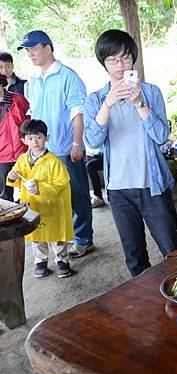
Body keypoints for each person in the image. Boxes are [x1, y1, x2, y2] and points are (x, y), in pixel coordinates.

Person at [84, 29, 177, 277]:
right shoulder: (96, 100)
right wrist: (108, 104)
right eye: (112, 60)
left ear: (133, 60)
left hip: (152, 185)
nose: (120, 65)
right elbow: (93, 142)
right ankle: (146, 307)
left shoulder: (150, 92)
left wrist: (140, 103)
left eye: (125, 58)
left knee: (174, 251)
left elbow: (161, 136)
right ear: (103, 63)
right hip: (118, 190)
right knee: (135, 256)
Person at [18, 30, 94, 258]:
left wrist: (77, 143)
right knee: (50, 197)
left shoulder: (68, 76)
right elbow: (33, 116)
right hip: (41, 151)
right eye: (27, 50)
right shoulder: (34, 81)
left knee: (77, 194)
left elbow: (77, 112)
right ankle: (59, 243)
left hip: (64, 148)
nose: (30, 54)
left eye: (33, 48)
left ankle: (83, 239)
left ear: (48, 48)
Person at [6, 119, 74, 278]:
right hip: (33, 204)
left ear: (46, 137)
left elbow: (62, 182)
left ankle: (62, 261)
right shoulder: (22, 159)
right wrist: (12, 176)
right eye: (30, 138)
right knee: (37, 234)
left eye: (38, 137)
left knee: (56, 234)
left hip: (53, 206)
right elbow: (17, 178)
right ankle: (40, 262)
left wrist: (41, 188)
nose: (35, 142)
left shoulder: (53, 161)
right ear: (24, 140)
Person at [0, 73, 29, 201]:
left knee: (30, 190)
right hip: (2, 157)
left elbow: (30, 120)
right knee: (5, 195)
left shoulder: (18, 99)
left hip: (23, 152)